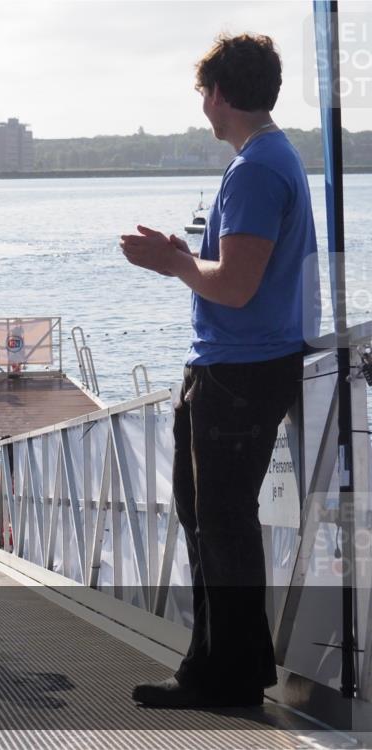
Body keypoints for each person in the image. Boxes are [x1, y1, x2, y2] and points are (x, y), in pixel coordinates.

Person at [121, 33, 318, 708]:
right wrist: (185, 255)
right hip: (241, 365)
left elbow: (234, 286)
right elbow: (242, 275)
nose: (202, 104)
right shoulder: (267, 159)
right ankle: (221, 666)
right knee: (209, 518)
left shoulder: (258, 168)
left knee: (222, 523)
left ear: (223, 94)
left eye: (204, 91)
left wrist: (173, 263)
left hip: (240, 371)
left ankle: (225, 677)